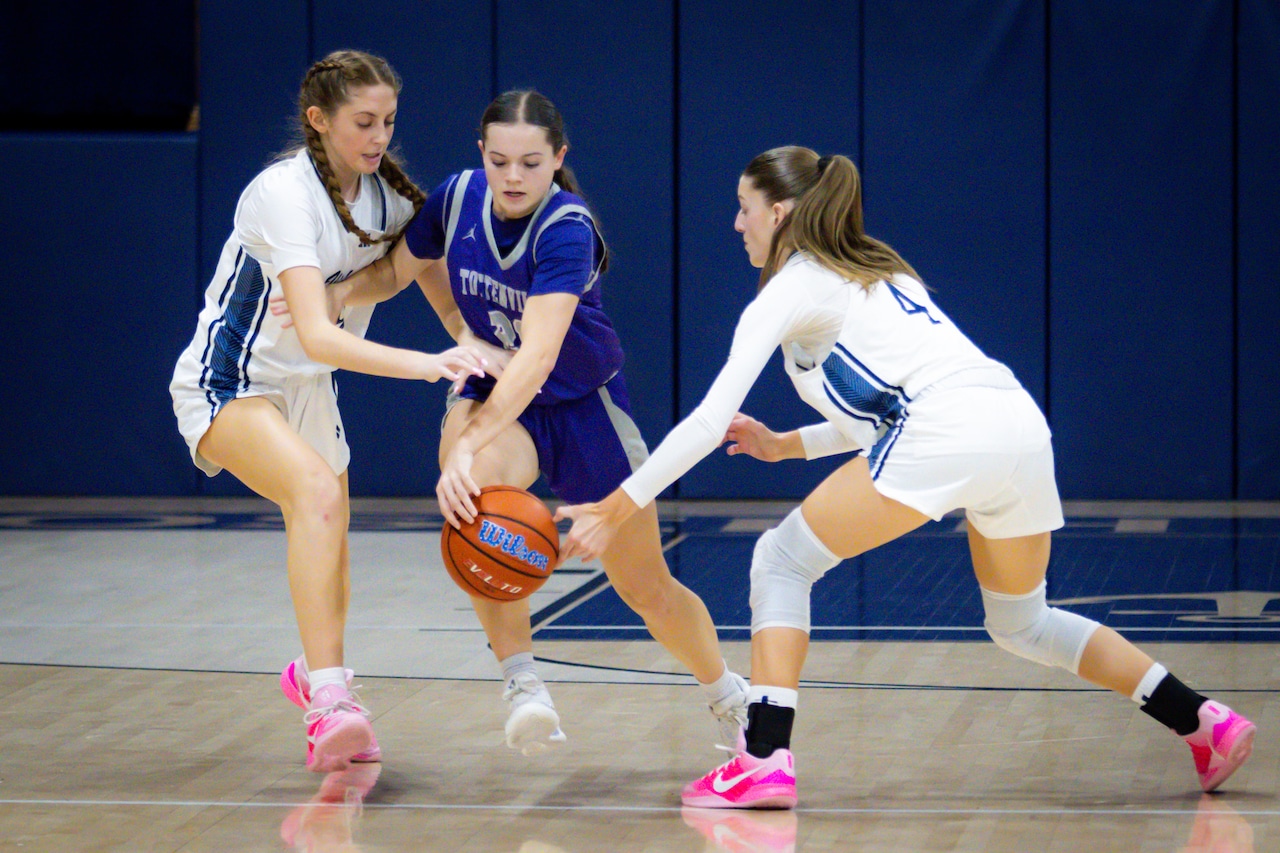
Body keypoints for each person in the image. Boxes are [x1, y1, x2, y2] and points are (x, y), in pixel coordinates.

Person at [555, 146, 1257, 807]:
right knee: (1024, 621)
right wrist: (784, 446)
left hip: (946, 429)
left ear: (780, 213)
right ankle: (1203, 720)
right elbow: (889, 411)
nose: (736, 222)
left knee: (782, 558)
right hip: (1016, 424)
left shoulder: (789, 288)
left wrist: (615, 507)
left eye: (745, 206)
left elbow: (710, 421)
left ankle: (764, 756)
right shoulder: (880, 270)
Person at [321, 89, 748, 756]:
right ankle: (523, 681)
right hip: (497, 383)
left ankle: (730, 697)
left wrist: (470, 438)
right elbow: (399, 271)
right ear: (481, 156)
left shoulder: (566, 227)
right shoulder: (458, 199)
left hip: (581, 404)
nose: (512, 177)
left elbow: (540, 355)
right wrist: (342, 291)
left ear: (558, 159)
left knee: (646, 586)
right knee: (474, 505)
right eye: (499, 161)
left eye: (529, 162)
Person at [170, 50, 489, 773]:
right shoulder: (281, 194)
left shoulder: (388, 201)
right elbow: (318, 333)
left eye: (389, 122)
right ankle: (330, 704)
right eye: (363, 122)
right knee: (315, 493)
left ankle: (318, 675)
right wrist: (428, 366)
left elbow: (444, 301)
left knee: (331, 530)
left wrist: (481, 354)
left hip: (309, 388)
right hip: (232, 380)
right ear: (319, 120)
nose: (379, 137)